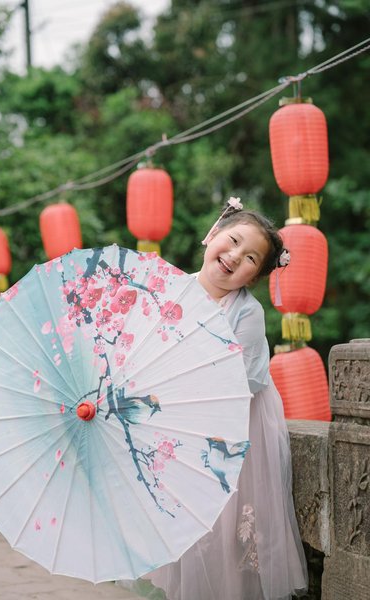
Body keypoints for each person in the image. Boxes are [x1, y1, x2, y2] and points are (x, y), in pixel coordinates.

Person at [119, 198, 308, 600]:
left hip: (228, 430)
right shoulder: (170, 291)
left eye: (250, 258)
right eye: (234, 241)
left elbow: (245, 382)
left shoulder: (246, 313)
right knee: (182, 525)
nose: (235, 256)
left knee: (223, 528)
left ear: (254, 276)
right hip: (176, 422)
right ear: (213, 235)